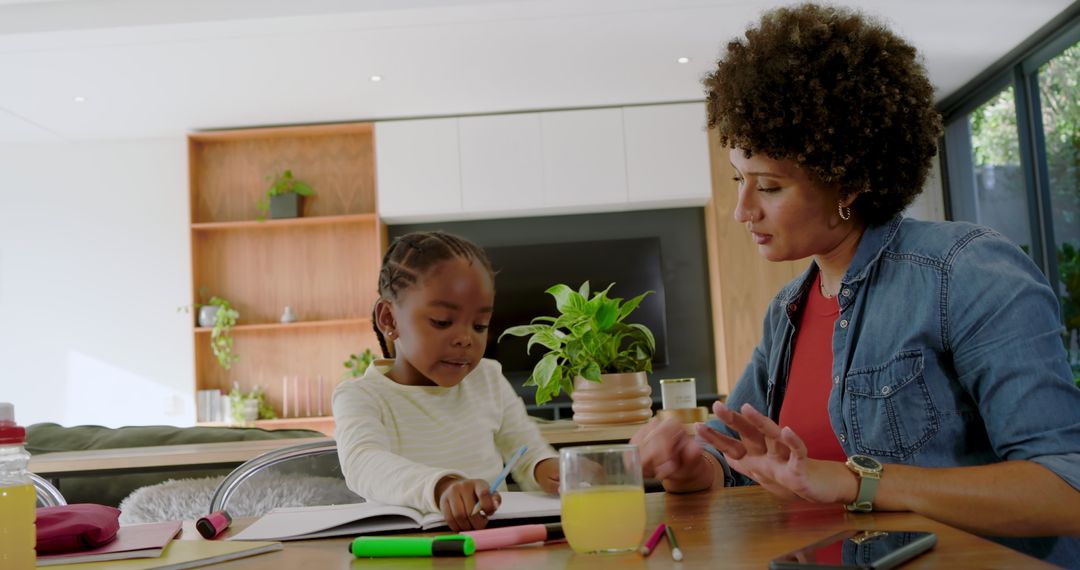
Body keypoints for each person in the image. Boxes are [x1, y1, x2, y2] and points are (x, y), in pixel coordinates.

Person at [630, 3, 1080, 565]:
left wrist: (858, 482)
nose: (742, 210)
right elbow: (738, 461)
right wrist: (689, 464)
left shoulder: (965, 273)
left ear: (850, 181)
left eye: (768, 186)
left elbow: (1066, 489)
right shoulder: (788, 311)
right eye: (738, 180)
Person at [333, 231, 560, 532]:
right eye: (442, 321)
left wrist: (548, 468)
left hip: (491, 546)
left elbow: (525, 449)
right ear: (389, 319)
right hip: (403, 553)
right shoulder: (360, 396)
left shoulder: (488, 378)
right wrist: (441, 487)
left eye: (480, 325)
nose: (466, 339)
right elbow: (364, 464)